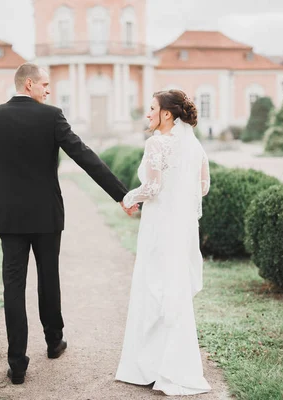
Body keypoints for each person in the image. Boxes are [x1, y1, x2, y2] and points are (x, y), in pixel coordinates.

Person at [0, 63, 138, 385]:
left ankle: (17, 363)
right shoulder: (51, 116)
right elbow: (84, 155)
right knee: (49, 278)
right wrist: (120, 194)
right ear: (30, 84)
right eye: (46, 85)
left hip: (9, 218)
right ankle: (53, 342)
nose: (49, 91)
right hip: (47, 215)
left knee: (13, 286)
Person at [115, 90, 212, 396]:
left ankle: (150, 365)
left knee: (153, 285)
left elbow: (153, 186)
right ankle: (174, 365)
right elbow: (204, 187)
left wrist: (128, 197)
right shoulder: (194, 146)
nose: (148, 114)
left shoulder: (156, 142)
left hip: (158, 225)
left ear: (167, 114)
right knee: (172, 288)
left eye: (153, 108)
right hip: (180, 227)